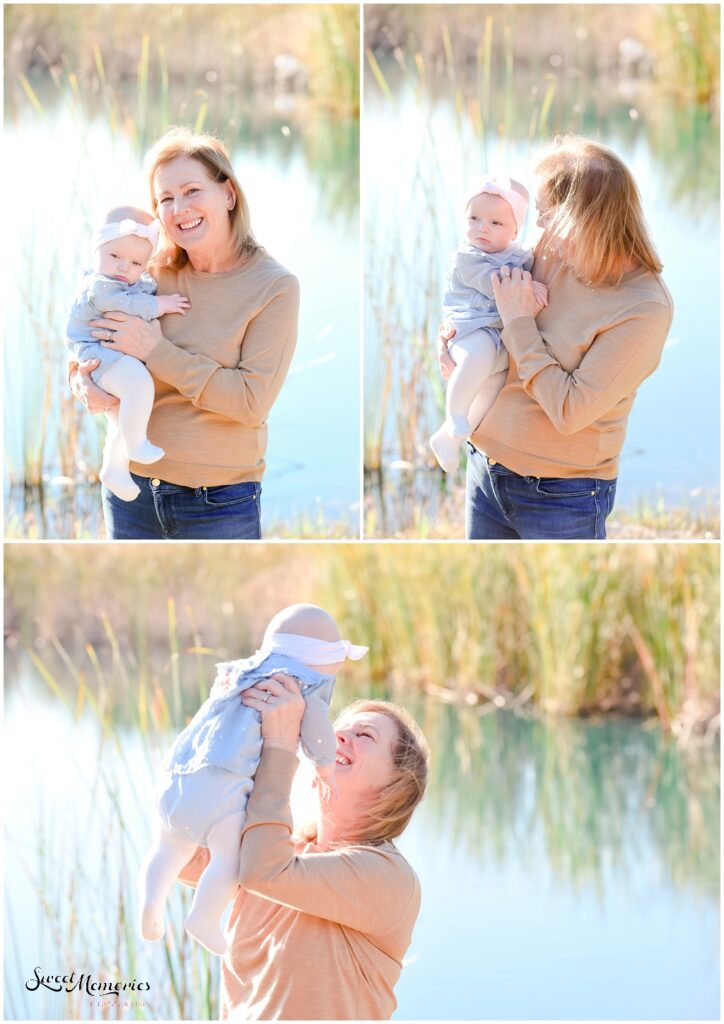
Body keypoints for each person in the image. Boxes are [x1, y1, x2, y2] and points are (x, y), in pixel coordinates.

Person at [438, 135, 674, 540]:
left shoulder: (643, 307)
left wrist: (518, 324)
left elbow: (568, 410)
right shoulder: (551, 247)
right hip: (485, 470)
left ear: (584, 217)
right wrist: (455, 347)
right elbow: (489, 299)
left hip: (562, 496)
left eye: (547, 214)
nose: (539, 226)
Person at [69, 127, 300, 540]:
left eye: (192, 190)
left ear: (228, 195)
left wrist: (156, 350)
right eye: (166, 199)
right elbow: (89, 335)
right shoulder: (146, 273)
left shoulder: (274, 287)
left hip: (219, 502)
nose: (180, 208)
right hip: (130, 493)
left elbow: (250, 402)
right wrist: (80, 380)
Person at [177, 684, 429, 1020]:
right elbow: (186, 861)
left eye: (365, 735)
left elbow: (265, 871)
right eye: (338, 727)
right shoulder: (276, 843)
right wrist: (229, 719)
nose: (340, 736)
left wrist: (280, 748)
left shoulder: (389, 878)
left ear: (395, 786)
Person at [138, 604, 368, 957]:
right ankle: (203, 917)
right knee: (228, 860)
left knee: (168, 847)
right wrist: (324, 768)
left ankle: (152, 902)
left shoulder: (241, 671)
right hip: (221, 791)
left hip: (177, 775)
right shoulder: (303, 684)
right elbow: (318, 733)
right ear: (321, 661)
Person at [66, 207, 190, 501]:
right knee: (138, 383)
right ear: (96, 250)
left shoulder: (128, 280)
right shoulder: (101, 286)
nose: (124, 267)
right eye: (114, 257)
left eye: (135, 262)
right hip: (98, 355)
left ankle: (115, 470)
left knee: (122, 415)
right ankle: (137, 444)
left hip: (106, 356)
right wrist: (161, 305)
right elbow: (127, 306)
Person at [430, 176, 547, 473]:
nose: (482, 227)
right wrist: (528, 287)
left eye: (496, 223)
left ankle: (453, 434)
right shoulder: (468, 257)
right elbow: (491, 284)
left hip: (496, 334)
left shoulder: (520, 256)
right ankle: (455, 414)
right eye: (475, 218)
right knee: (478, 357)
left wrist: (532, 283)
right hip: (470, 327)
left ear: (515, 230)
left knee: (494, 381)